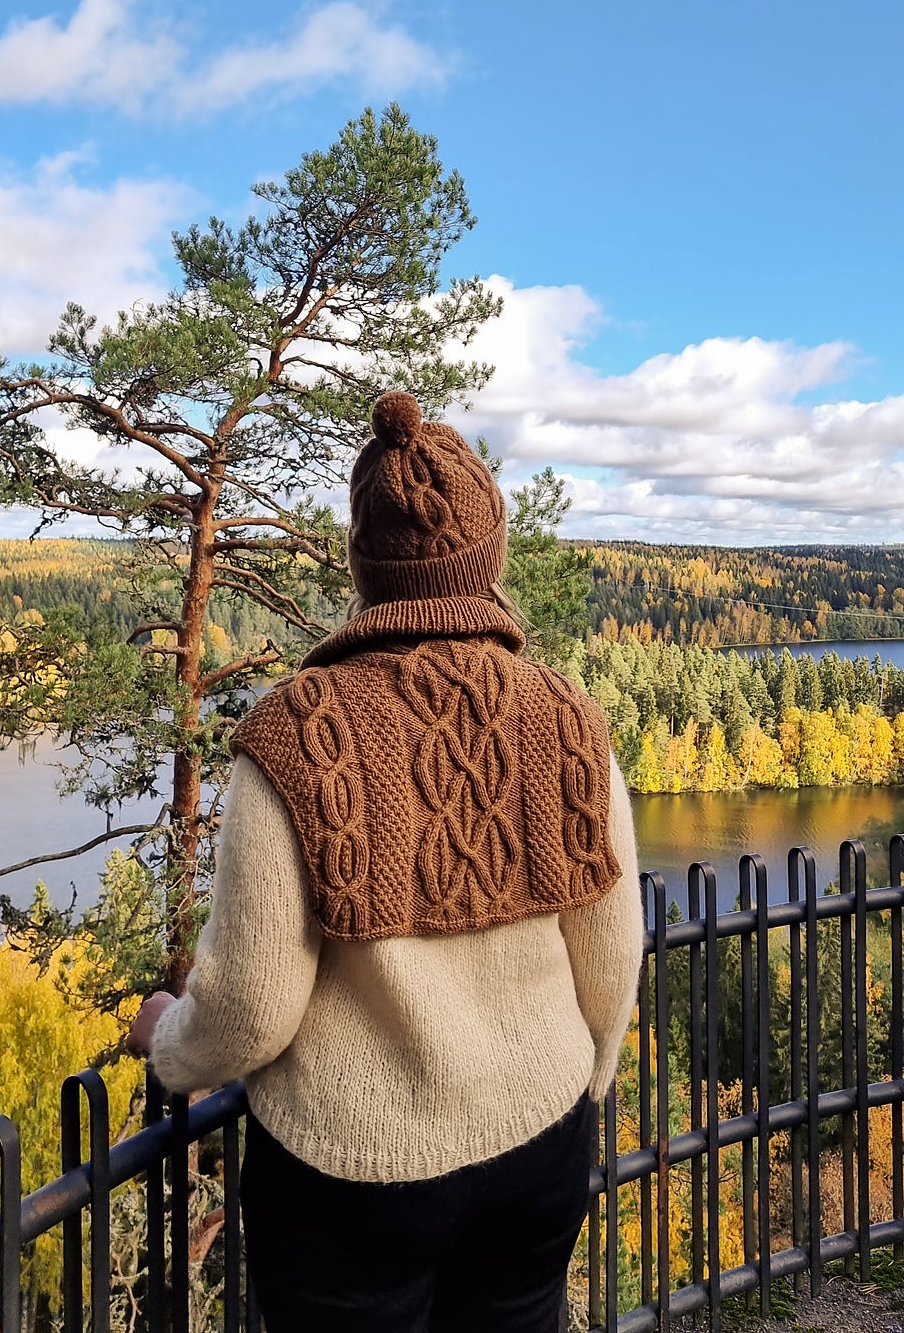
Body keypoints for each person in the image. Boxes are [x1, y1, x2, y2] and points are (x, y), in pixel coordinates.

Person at [127, 391, 644, 1333]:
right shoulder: (565, 715)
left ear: (364, 566)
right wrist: (585, 1081)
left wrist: (168, 1043)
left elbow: (248, 1011)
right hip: (540, 1144)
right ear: (488, 555)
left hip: (353, 1180)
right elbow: (612, 954)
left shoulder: (295, 735)